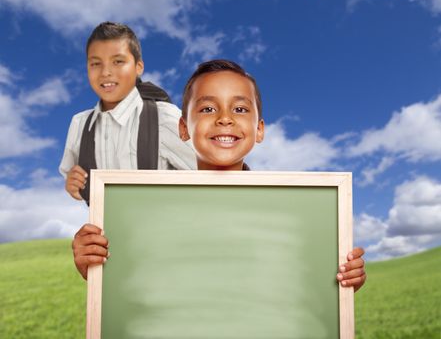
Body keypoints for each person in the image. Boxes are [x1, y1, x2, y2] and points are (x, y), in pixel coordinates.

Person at [72, 59, 366, 292]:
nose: (225, 118)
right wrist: (94, 267)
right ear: (184, 128)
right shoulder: (148, 211)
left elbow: (302, 286)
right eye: (208, 108)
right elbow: (133, 287)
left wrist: (342, 280)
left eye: (239, 108)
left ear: (259, 129)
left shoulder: (295, 215)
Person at [59, 21, 196, 203]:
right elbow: (73, 179)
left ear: (138, 67)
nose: (106, 72)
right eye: (95, 64)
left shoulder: (164, 117)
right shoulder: (80, 124)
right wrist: (72, 184)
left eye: (118, 61)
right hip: (105, 230)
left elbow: (208, 174)